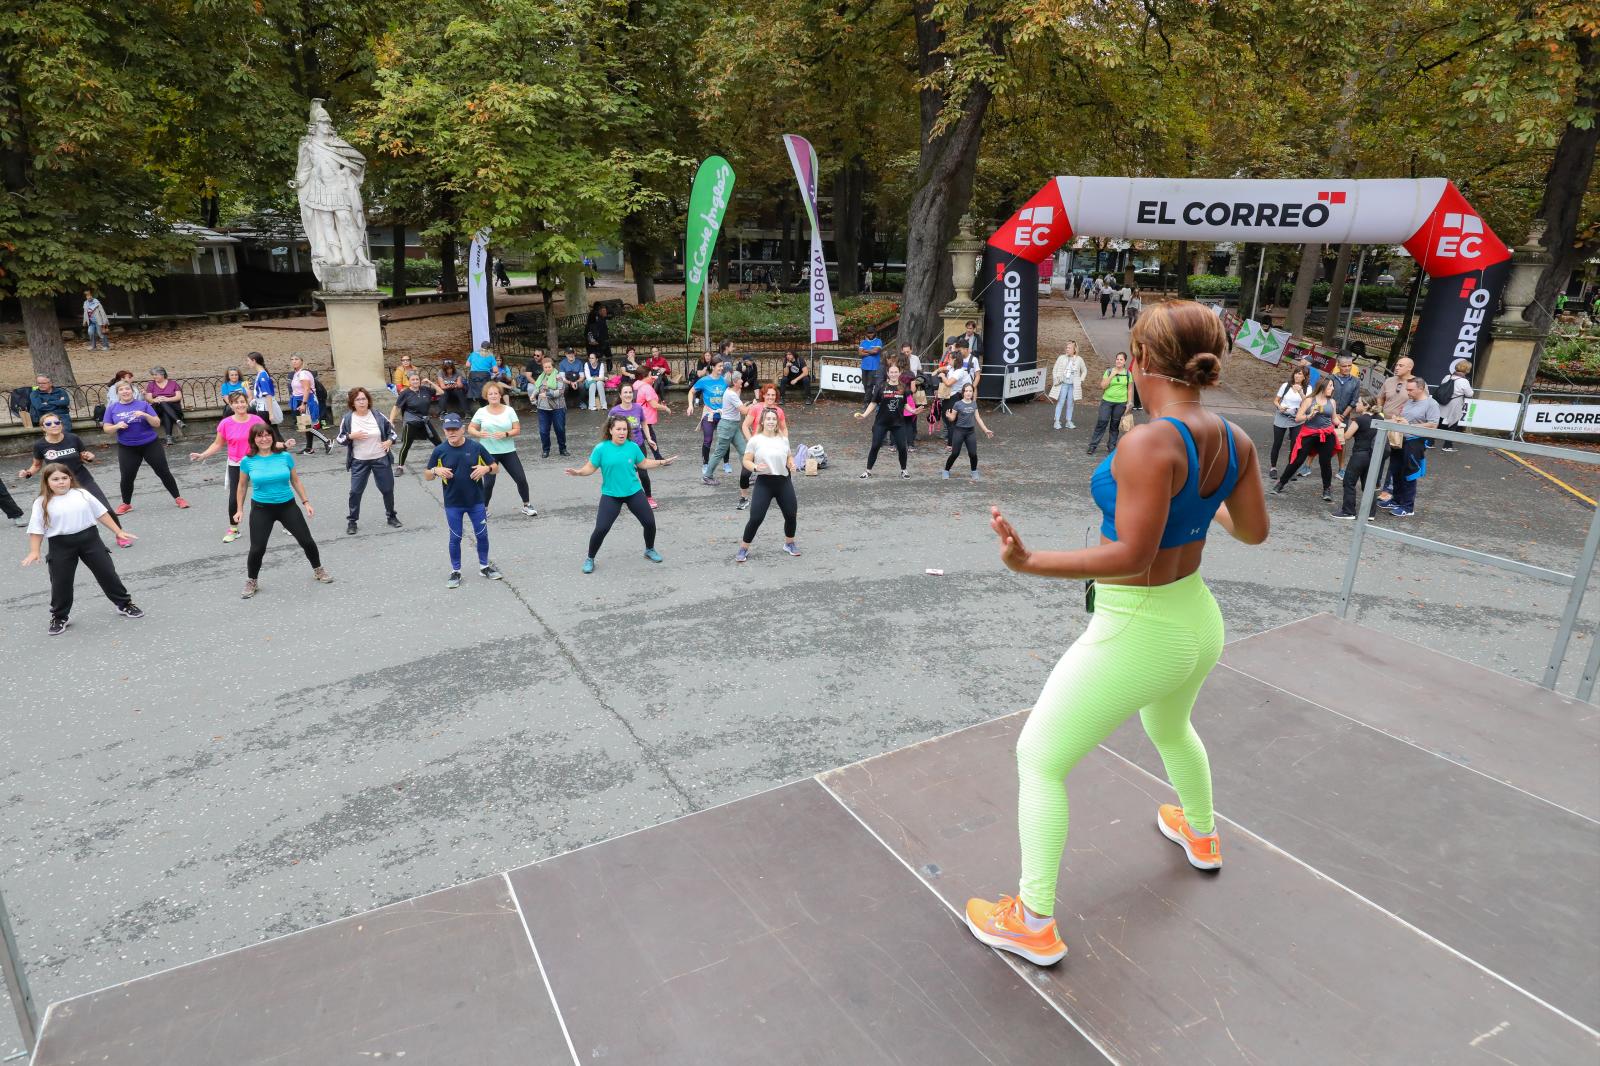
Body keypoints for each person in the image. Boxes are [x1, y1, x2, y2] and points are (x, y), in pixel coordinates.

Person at [966, 300, 1269, 968]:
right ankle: (1202, 833)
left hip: (1137, 626)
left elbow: (1131, 556)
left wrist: (1028, 561)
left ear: (1136, 361)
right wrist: (1194, 503)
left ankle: (1033, 919)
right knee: (1171, 729)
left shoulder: (1148, 441)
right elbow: (1252, 530)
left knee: (1039, 758)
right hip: (1197, 619)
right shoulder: (1235, 438)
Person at [22, 464, 142, 635]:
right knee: (60, 583)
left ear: (70, 478)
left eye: (64, 478)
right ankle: (60, 616)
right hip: (60, 545)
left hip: (90, 540)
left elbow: (101, 513)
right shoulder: (41, 502)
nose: (61, 482)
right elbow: (36, 529)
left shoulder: (82, 494)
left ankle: (124, 604)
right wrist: (34, 551)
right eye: (55, 479)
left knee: (107, 573)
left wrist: (118, 531)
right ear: (47, 482)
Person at [566, 415, 675, 573]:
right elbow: (589, 468)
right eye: (618, 429)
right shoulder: (601, 449)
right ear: (610, 430)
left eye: (624, 429)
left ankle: (649, 549)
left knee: (649, 523)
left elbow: (643, 463)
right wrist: (578, 473)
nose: (622, 432)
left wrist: (661, 462)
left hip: (633, 492)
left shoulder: (632, 447)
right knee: (601, 528)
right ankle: (590, 558)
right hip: (611, 495)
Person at [236, 423, 331, 597]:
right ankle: (252, 581)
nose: (264, 439)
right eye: (259, 436)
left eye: (267, 435)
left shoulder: (284, 457)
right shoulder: (247, 461)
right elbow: (242, 486)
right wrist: (239, 509)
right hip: (261, 508)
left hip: (287, 506)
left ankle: (318, 569)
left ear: (272, 437)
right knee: (257, 548)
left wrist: (306, 502)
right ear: (253, 439)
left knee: (307, 541)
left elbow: (296, 481)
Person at [425, 413, 503, 588]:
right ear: (444, 431)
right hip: (453, 503)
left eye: (454, 429)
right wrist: (436, 471)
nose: (451, 433)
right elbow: (427, 475)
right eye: (448, 430)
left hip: (476, 501)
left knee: (482, 534)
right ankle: (456, 571)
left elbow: (495, 468)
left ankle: (484, 567)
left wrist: (486, 468)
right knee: (455, 537)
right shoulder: (439, 450)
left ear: (462, 429)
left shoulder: (476, 447)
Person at [189, 390, 266, 543]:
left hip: (257, 461)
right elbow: (218, 444)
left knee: (269, 493)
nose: (240, 405)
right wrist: (203, 455)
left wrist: (282, 447)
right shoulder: (226, 423)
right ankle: (234, 528)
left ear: (247, 402)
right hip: (236, 463)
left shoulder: (256, 420)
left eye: (242, 401)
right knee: (234, 499)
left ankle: (285, 522)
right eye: (236, 402)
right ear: (231, 405)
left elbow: (267, 439)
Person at [103, 380, 188, 514]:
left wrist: (145, 414)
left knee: (163, 471)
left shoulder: (143, 405)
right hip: (127, 447)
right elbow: (107, 429)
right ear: (117, 393)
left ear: (132, 391)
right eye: (121, 390)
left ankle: (178, 498)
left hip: (150, 444)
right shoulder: (112, 408)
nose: (125, 392)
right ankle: (126, 504)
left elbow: (156, 423)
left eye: (127, 389)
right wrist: (117, 426)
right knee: (127, 476)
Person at [735, 408, 801, 563]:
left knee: (791, 515)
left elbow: (789, 456)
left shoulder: (783, 439)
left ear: (777, 422)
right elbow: (746, 461)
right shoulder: (755, 440)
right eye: (768, 419)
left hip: (783, 482)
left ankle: (789, 544)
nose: (771, 421)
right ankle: (743, 548)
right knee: (756, 517)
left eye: (774, 419)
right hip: (764, 482)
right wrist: (755, 468)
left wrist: (791, 464)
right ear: (762, 422)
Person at [336, 386, 403, 534]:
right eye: (358, 399)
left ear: (368, 400)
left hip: (380, 458)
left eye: (364, 398)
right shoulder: (348, 418)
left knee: (387, 489)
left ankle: (391, 516)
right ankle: (352, 521)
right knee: (355, 491)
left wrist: (389, 442)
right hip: (359, 461)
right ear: (352, 403)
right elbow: (339, 439)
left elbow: (392, 433)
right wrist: (350, 436)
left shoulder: (377, 415)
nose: (361, 402)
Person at [470, 381, 536, 517]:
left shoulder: (509, 410)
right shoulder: (481, 412)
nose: (493, 396)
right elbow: (471, 428)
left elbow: (517, 430)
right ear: (486, 396)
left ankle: (527, 505)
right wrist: (478, 433)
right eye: (490, 394)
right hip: (487, 452)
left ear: (500, 395)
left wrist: (505, 434)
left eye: (496, 393)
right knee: (488, 483)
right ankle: (484, 508)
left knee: (521, 479)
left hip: (508, 450)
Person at [1272, 376, 1343, 501]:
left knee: (1325, 462)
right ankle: (1281, 483)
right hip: (1309, 433)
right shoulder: (1309, 400)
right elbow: (1298, 418)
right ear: (1323, 386)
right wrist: (1309, 416)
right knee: (1298, 460)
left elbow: (1334, 418)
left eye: (1333, 386)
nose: (1332, 388)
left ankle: (1327, 489)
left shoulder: (1332, 402)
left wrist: (1341, 423)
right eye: (1330, 385)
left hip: (1326, 434)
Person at [1382, 378, 1440, 518]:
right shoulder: (1409, 401)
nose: (1407, 392)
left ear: (1420, 388)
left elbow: (1433, 425)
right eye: (1407, 389)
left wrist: (1410, 426)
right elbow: (1405, 418)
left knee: (1409, 473)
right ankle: (1396, 500)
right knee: (1396, 470)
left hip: (1415, 442)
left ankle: (1407, 507)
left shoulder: (1431, 404)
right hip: (1400, 439)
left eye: (1410, 390)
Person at [855, 371, 917, 479]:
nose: (893, 374)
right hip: (881, 422)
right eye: (891, 372)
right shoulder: (881, 386)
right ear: (888, 373)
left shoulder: (903, 387)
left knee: (902, 447)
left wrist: (913, 411)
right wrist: (864, 415)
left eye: (896, 372)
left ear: (899, 373)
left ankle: (904, 470)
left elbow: (906, 404)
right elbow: (873, 402)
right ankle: (868, 471)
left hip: (898, 423)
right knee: (875, 446)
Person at [703, 368, 751, 506]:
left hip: (733, 426)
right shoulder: (731, 394)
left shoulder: (732, 392)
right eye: (740, 379)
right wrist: (754, 405)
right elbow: (744, 411)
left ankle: (749, 474)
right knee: (719, 452)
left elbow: (739, 406)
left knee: (744, 450)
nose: (742, 380)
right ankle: (707, 476)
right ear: (735, 382)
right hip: (727, 427)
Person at [1332, 397, 1380, 520]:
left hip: (1360, 455)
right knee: (1369, 484)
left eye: (1358, 403)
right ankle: (1370, 513)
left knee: (1349, 481)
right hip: (1374, 455)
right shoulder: (1379, 418)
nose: (1356, 405)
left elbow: (1347, 436)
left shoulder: (1359, 420)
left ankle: (1349, 511)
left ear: (1365, 405)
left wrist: (1338, 428)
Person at [388, 374, 440, 475]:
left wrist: (430, 382)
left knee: (439, 443)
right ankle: (400, 467)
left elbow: (441, 392)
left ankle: (445, 463)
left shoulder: (425, 389)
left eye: (417, 379)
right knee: (406, 445)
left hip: (425, 421)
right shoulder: (405, 393)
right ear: (409, 381)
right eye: (413, 380)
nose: (415, 381)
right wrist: (391, 420)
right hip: (411, 422)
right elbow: (397, 407)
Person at [943, 383, 994, 480]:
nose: (968, 393)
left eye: (970, 391)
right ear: (963, 392)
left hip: (970, 432)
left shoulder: (974, 403)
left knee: (973, 453)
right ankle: (946, 470)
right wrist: (949, 417)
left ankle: (974, 471)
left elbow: (978, 418)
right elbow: (952, 418)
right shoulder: (958, 404)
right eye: (966, 391)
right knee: (955, 453)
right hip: (959, 431)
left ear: (972, 393)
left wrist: (986, 430)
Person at [1085, 353, 1131, 455]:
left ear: (1125, 362)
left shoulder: (1128, 374)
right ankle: (1093, 446)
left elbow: (1130, 389)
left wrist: (1130, 403)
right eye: (1117, 359)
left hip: (1121, 403)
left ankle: (1111, 446)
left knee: (1115, 425)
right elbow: (1103, 386)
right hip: (1107, 401)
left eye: (1121, 359)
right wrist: (1112, 375)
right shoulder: (1109, 371)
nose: (1118, 361)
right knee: (1102, 422)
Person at [1267, 365, 1309, 478]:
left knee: (1295, 445)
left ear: (1305, 377)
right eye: (1296, 373)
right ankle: (1273, 467)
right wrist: (1279, 407)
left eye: (1300, 373)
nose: (1297, 375)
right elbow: (1276, 400)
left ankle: (1290, 469)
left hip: (1297, 419)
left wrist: (1300, 392)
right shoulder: (1286, 386)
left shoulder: (1307, 388)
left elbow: (1308, 404)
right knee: (1277, 443)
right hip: (1282, 415)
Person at [688, 359, 728, 466]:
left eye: (722, 366)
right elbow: (691, 392)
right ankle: (705, 464)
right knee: (708, 440)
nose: (721, 368)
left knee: (724, 439)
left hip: (722, 414)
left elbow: (731, 395)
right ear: (713, 367)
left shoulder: (725, 381)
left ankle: (726, 463)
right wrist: (690, 405)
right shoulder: (704, 380)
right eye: (719, 366)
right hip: (709, 414)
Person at [289, 355, 331, 454]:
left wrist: (303, 403)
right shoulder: (297, 374)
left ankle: (327, 441)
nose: (294, 361)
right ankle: (309, 448)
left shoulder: (303, 374)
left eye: (296, 359)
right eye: (292, 359)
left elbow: (307, 389)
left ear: (302, 361)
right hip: (300, 400)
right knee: (305, 426)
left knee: (306, 426)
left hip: (305, 401)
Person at [530, 353, 570, 457]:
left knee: (560, 429)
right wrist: (533, 395)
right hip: (543, 408)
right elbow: (537, 388)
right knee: (543, 431)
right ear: (543, 368)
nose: (547, 369)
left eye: (549, 367)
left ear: (553, 367)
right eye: (545, 367)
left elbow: (560, 392)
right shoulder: (541, 377)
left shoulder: (558, 377)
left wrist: (547, 394)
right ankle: (545, 450)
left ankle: (563, 449)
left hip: (558, 407)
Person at [1436, 360, 1474, 450]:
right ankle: (1447, 445)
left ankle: (1429, 442)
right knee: (1453, 424)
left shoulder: (1447, 377)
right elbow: (1470, 394)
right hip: (1455, 403)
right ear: (1467, 369)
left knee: (1437, 422)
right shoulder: (1464, 381)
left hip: (1442, 402)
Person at [143, 367, 185, 444]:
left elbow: (179, 396)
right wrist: (155, 400)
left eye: (156, 374)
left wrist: (167, 399)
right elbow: (149, 398)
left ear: (163, 374)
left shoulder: (173, 383)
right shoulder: (151, 385)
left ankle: (169, 438)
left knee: (165, 412)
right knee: (161, 402)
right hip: (157, 408)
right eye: (153, 375)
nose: (154, 376)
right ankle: (178, 421)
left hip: (173, 407)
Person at [1050, 342, 1085, 430]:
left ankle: (1068, 421)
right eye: (1067, 347)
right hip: (1063, 384)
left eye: (1069, 348)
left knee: (1070, 403)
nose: (1067, 349)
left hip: (1073, 385)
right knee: (1061, 402)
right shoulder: (1061, 358)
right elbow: (1055, 369)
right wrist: (1056, 379)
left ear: (1074, 350)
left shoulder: (1079, 359)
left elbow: (1084, 370)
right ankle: (1057, 421)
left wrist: (1080, 380)